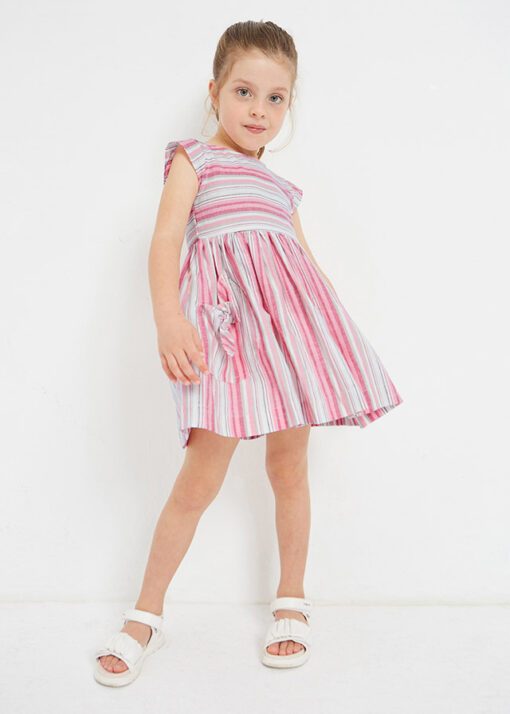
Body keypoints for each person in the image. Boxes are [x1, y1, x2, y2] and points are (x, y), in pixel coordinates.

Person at [94, 19, 403, 686]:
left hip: (289, 346)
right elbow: (165, 241)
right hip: (227, 342)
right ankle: (146, 613)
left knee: (289, 467)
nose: (259, 110)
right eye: (244, 92)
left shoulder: (282, 190)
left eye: (275, 98)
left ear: (289, 104)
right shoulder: (194, 161)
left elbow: (305, 268)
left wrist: (336, 340)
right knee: (197, 482)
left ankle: (292, 598)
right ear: (214, 92)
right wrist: (168, 318)